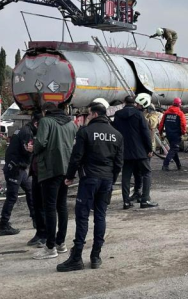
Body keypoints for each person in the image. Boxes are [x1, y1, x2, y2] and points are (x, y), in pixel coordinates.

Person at [57, 101, 124, 272]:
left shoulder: (85, 132)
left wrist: (70, 176)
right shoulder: (116, 134)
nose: (85, 117)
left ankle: (77, 257)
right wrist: (111, 178)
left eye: (87, 114)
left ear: (94, 114)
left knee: (82, 217)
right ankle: (95, 256)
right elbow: (118, 163)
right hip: (106, 179)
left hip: (89, 179)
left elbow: (76, 156)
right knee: (100, 216)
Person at [32, 103, 77, 260]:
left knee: (49, 207)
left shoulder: (46, 121)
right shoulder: (71, 123)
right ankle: (61, 243)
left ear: (45, 111)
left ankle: (50, 247)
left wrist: (33, 149)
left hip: (50, 169)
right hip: (66, 169)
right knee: (62, 206)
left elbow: (41, 143)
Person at [0, 113, 40, 236]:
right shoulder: (27, 133)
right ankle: (3, 225)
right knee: (12, 197)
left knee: (30, 190)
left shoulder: (25, 130)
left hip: (19, 168)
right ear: (36, 124)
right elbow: (28, 150)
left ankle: (35, 219)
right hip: (15, 169)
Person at [114, 96, 157, 209]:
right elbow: (145, 133)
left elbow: (116, 132)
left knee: (126, 176)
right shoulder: (139, 115)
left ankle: (126, 202)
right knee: (146, 172)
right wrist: (149, 149)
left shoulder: (118, 114)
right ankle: (145, 200)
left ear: (124, 102)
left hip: (125, 151)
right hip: (140, 151)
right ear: (135, 103)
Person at [159, 98, 187, 171]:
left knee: (173, 149)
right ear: (180, 104)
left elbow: (161, 123)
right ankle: (165, 164)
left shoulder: (166, 113)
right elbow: (183, 124)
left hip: (168, 134)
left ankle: (179, 165)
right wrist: (183, 132)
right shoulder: (180, 113)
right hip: (176, 134)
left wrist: (160, 132)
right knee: (174, 149)